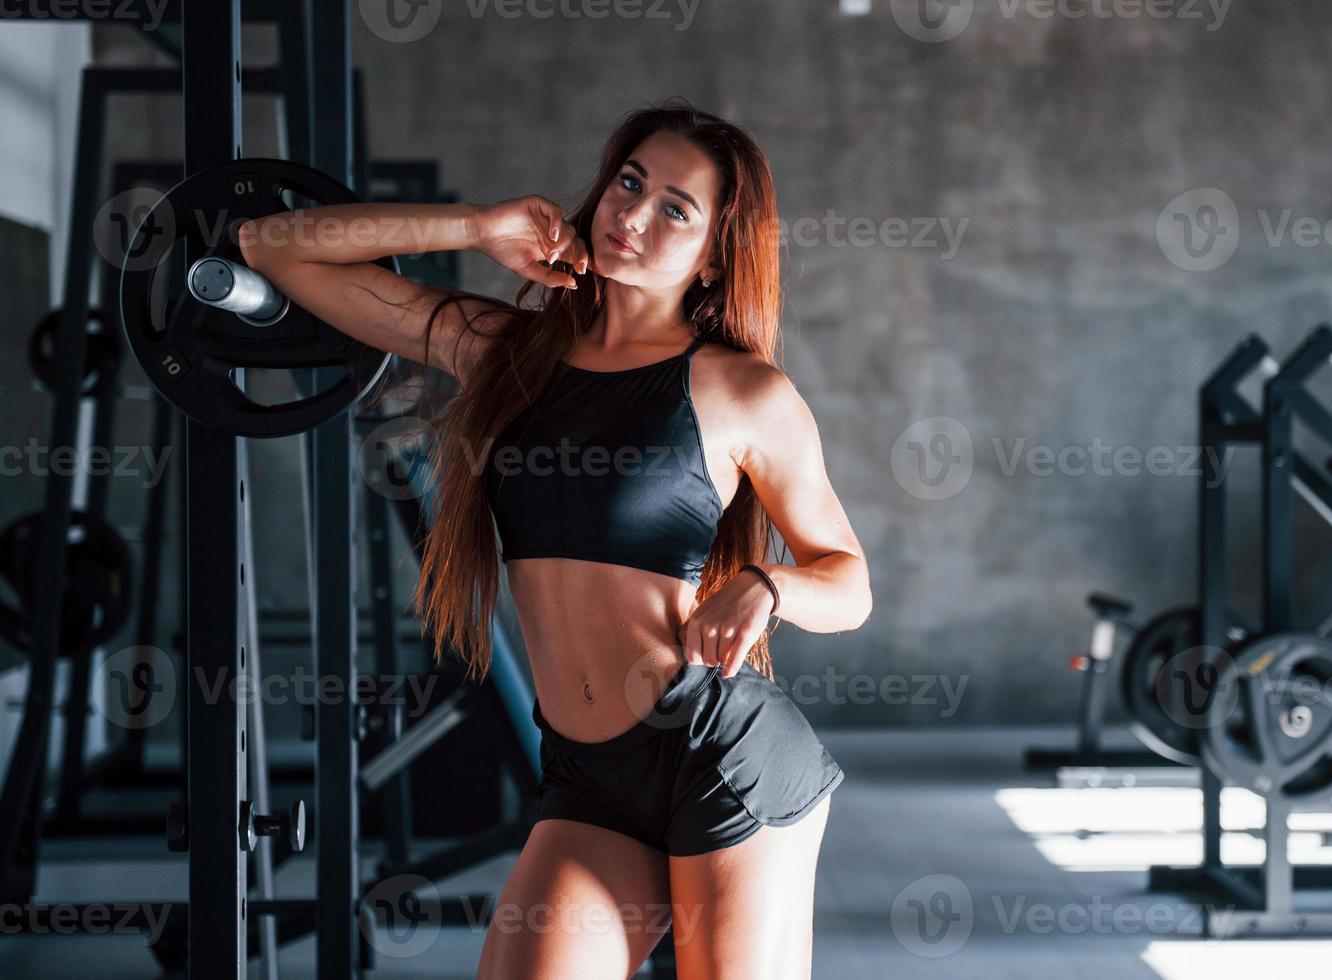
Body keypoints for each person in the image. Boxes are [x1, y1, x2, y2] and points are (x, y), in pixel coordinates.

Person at [238, 98, 872, 979]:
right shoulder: (507, 350)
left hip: (719, 758)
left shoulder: (742, 391)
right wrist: (474, 225)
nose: (631, 215)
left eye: (673, 209)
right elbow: (272, 247)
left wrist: (769, 586)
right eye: (627, 182)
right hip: (585, 775)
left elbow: (848, 582)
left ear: (717, 255)